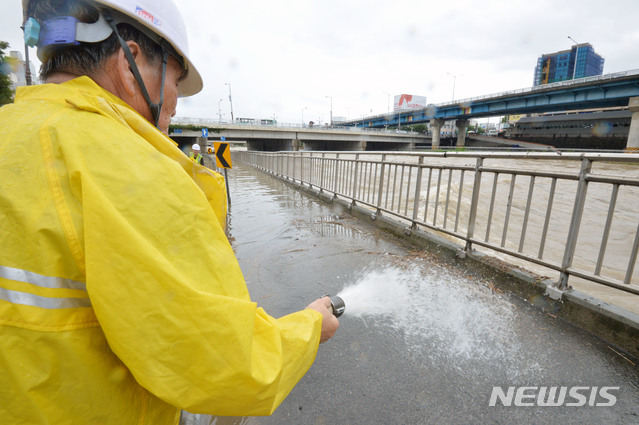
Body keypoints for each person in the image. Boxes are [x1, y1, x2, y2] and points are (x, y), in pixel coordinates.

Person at [0, 1, 339, 424]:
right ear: (132, 61)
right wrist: (308, 328)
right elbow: (227, 364)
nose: (175, 102)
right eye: (176, 80)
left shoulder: (10, 132)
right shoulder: (127, 165)